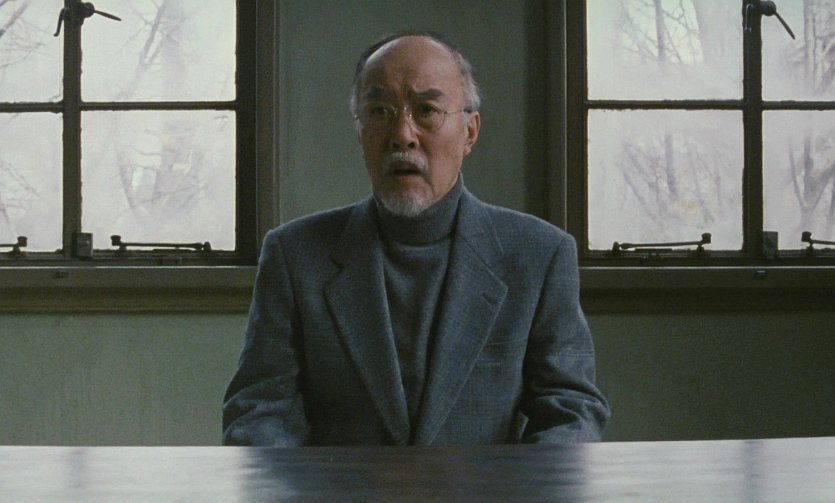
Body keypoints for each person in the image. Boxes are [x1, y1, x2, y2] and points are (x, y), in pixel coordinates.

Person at [222, 31, 610, 446]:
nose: (402, 135)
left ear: (469, 132)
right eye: (380, 111)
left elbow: (570, 410)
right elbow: (260, 410)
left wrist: (524, 481)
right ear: (360, 132)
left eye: (426, 110)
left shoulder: (538, 254)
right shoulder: (295, 254)